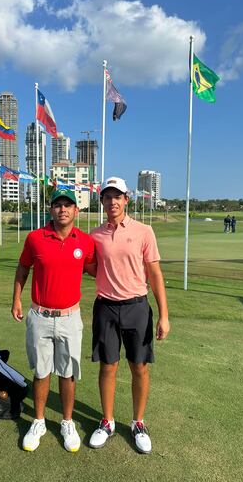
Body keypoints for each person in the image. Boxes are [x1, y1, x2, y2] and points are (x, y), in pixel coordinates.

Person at [87, 177, 170, 454]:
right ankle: (107, 421)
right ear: (102, 202)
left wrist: (164, 315)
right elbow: (90, 266)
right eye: (107, 197)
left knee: (140, 367)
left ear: (126, 200)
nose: (112, 201)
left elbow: (155, 274)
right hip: (106, 308)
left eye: (117, 196)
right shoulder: (95, 235)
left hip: (137, 307)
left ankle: (138, 422)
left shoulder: (144, 231)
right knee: (108, 366)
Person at [12, 189, 95, 453]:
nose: (62, 209)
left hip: (70, 317)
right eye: (57, 205)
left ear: (76, 211)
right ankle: (38, 421)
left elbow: (99, 270)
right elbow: (23, 267)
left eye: (67, 205)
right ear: (51, 210)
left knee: (68, 372)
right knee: (41, 371)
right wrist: (16, 299)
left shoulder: (85, 242)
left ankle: (67, 422)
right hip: (40, 315)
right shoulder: (35, 238)